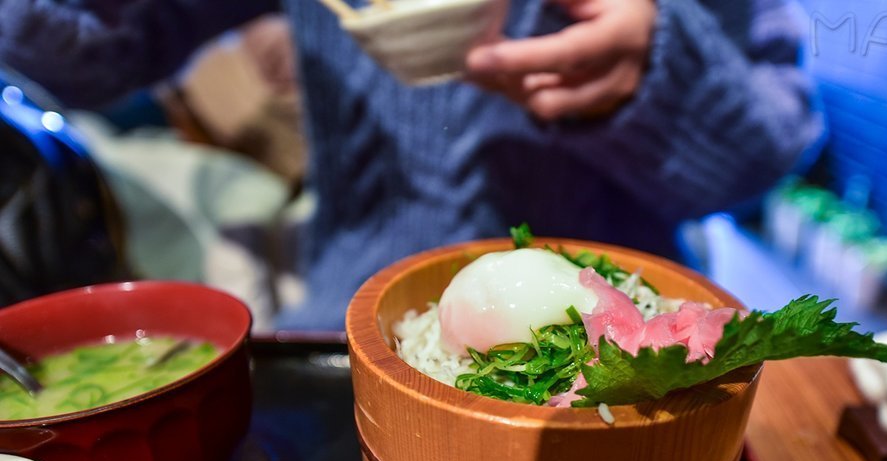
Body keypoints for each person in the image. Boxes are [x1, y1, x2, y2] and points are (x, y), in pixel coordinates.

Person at [0, 0, 823, 329]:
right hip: (353, 326)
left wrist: (655, 74)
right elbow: (99, 56)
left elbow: (764, 153)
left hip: (620, 330)